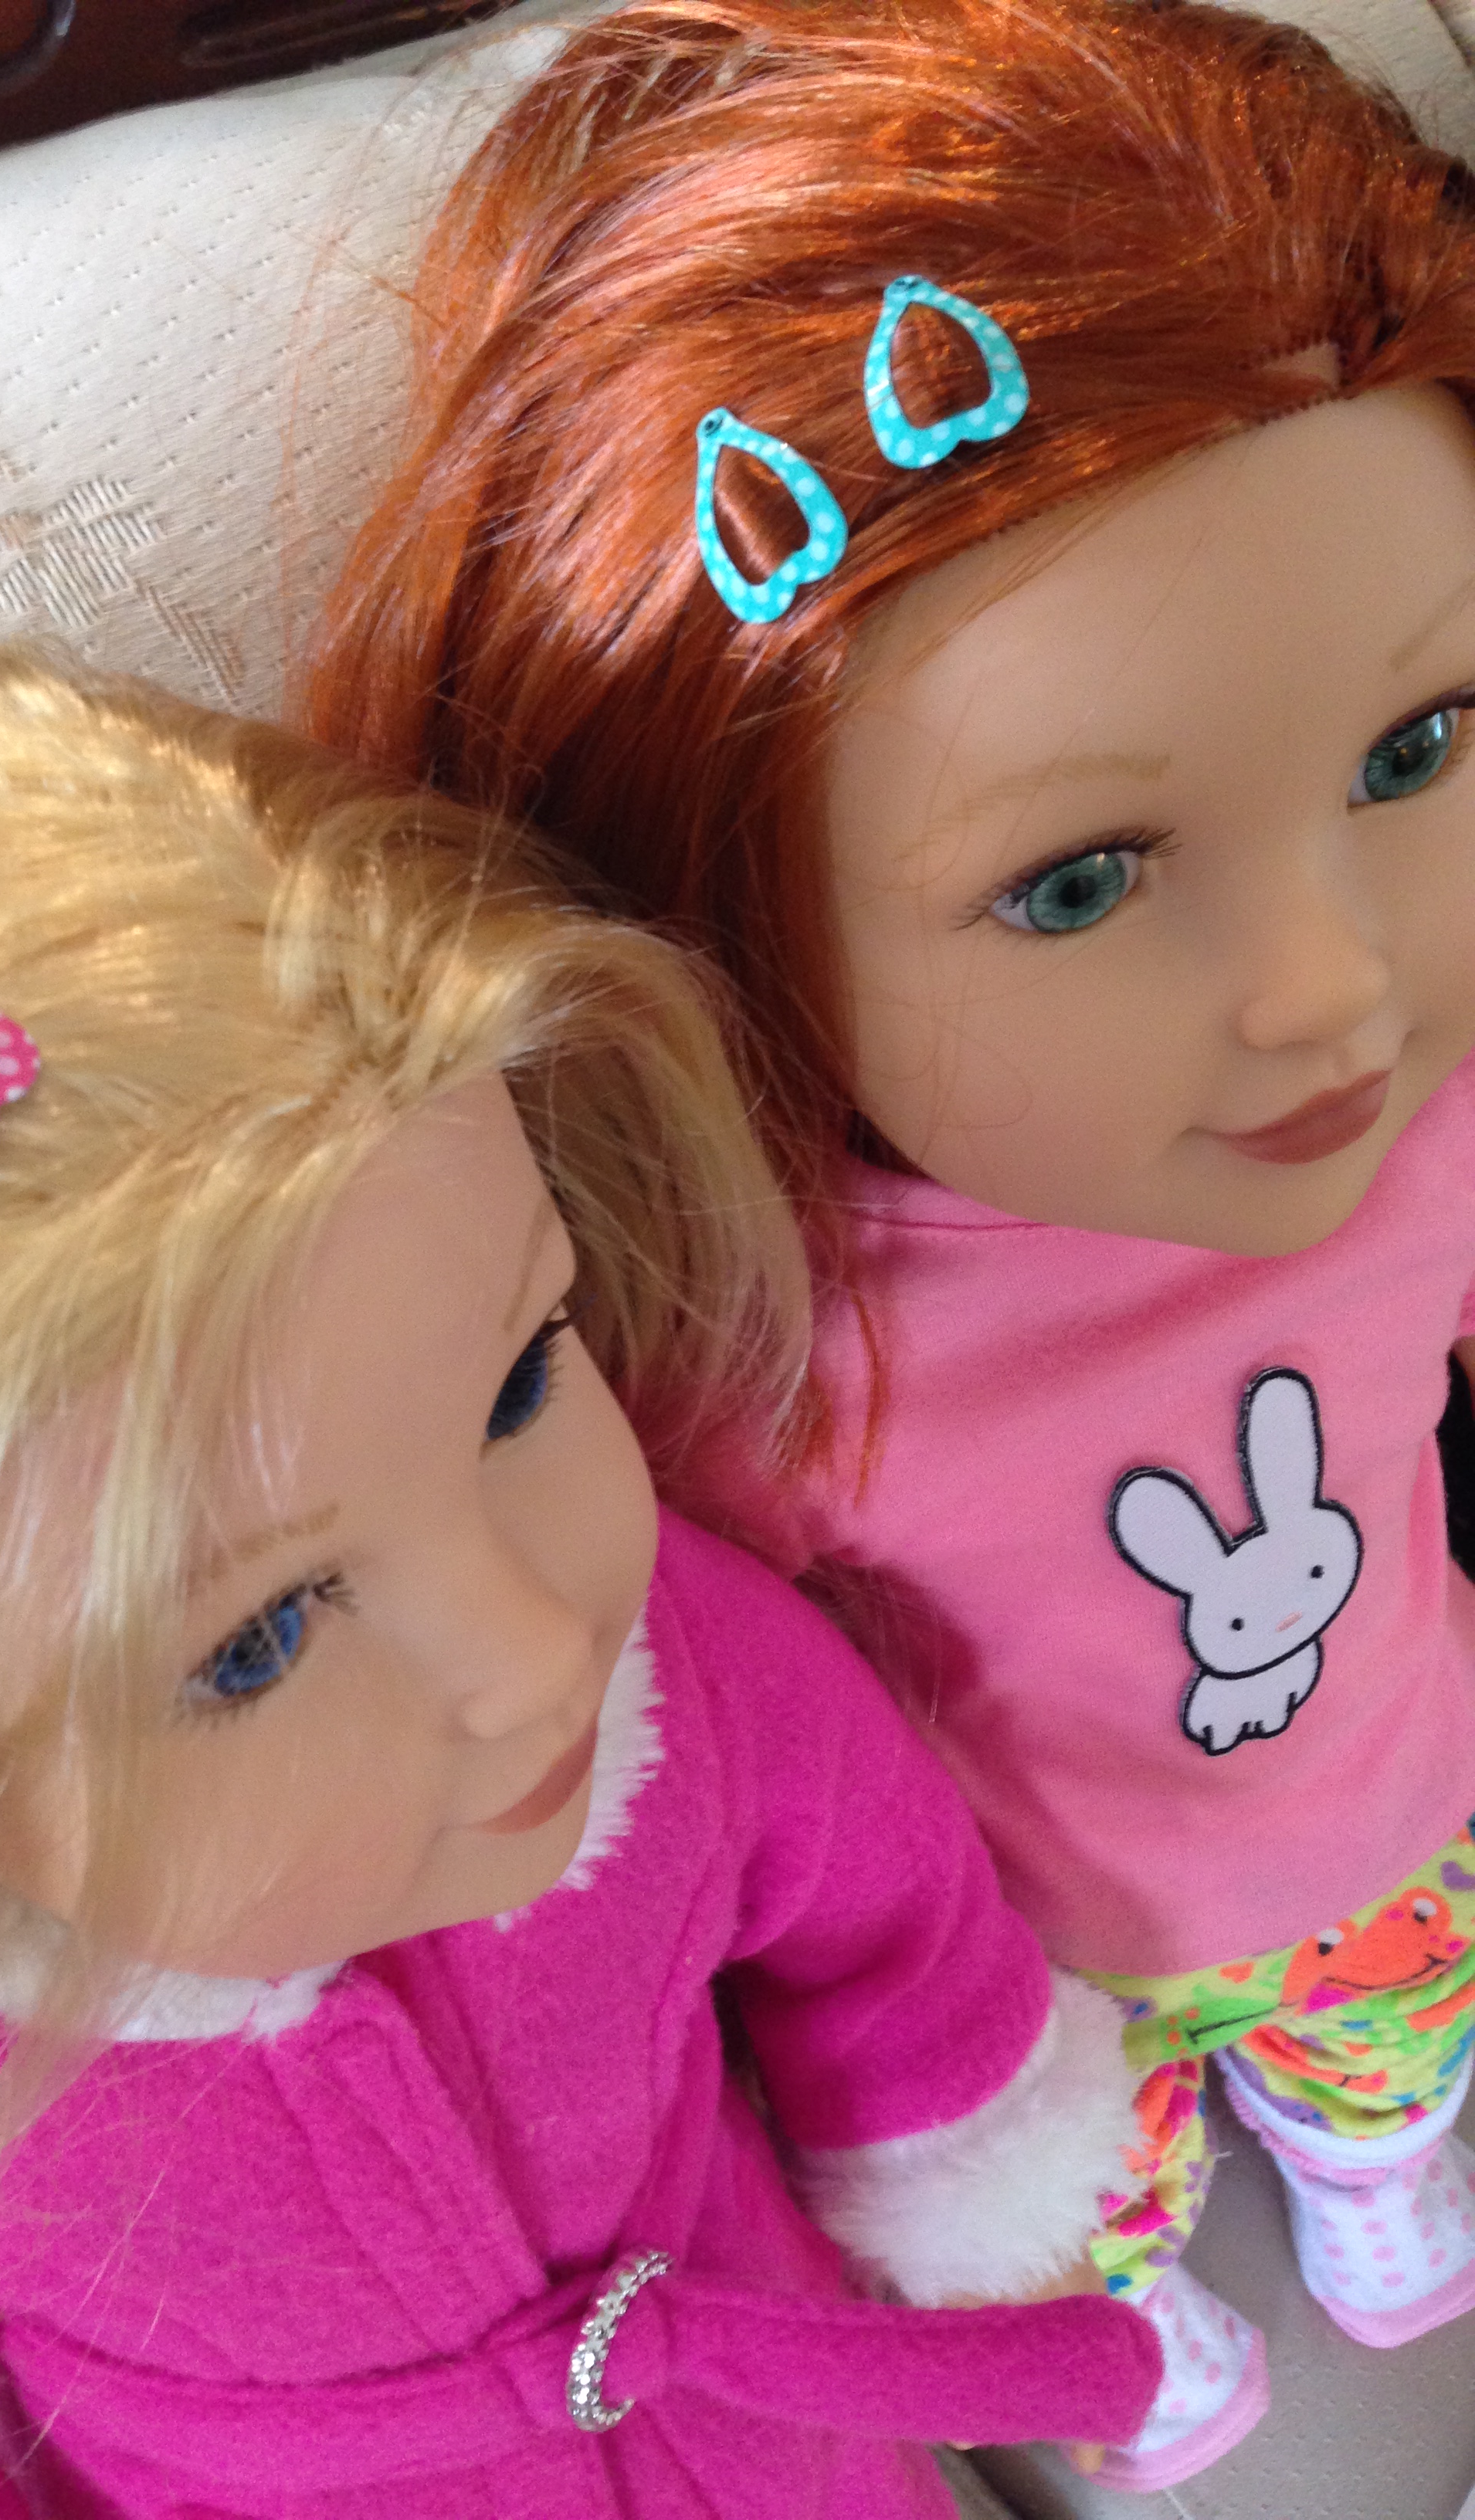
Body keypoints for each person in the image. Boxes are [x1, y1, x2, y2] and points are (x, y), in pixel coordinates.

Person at [0, 652, 1156, 2520]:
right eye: (251, 1641)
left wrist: (960, 2161)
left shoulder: (682, 1686)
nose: (536, 1656)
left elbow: (879, 1900)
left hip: (787, 2436)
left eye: (517, 1384)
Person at [302, 0, 1475, 2484]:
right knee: (1081, 2211)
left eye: (1420, 747)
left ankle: (1376, 2166)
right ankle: (1136, 2313)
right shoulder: (770, 1345)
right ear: (717, 917)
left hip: (1400, 1810)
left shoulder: (1434, 1117)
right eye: (1076, 881)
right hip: (1021, 1957)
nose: (1335, 990)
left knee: (1394, 2056)